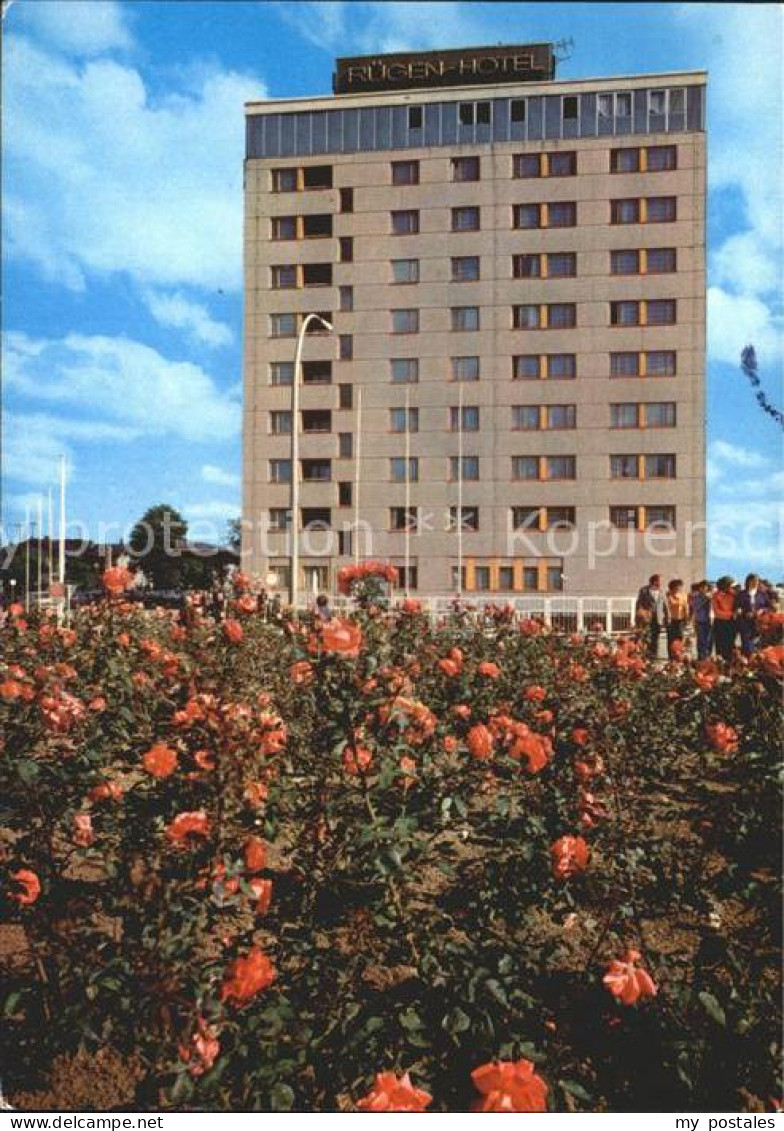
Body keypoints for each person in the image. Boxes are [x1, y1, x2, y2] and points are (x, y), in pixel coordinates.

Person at [735, 572, 770, 656]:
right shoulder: (741, 594)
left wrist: (762, 610)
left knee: (755, 643)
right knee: (747, 643)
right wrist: (740, 610)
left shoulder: (762, 594)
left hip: (758, 623)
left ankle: (750, 662)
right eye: (753, 581)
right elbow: (736, 606)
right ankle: (748, 660)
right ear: (748, 581)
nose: (755, 583)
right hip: (744, 622)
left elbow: (769, 607)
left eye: (757, 581)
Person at [635, 573, 669, 658]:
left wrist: (668, 617)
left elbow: (665, 605)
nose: (661, 583)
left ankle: (654, 654)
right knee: (646, 636)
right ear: (655, 581)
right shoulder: (644, 590)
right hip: (647, 617)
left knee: (655, 637)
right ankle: (646, 655)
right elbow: (639, 604)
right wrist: (639, 615)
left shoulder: (662, 591)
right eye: (660, 581)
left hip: (658, 618)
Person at [712, 575, 737, 662]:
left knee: (730, 646)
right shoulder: (716, 595)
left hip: (731, 623)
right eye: (730, 585)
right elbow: (717, 612)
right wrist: (731, 614)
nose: (732, 587)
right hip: (720, 622)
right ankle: (720, 665)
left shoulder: (734, 594)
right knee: (720, 646)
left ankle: (729, 665)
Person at [665, 578, 689, 657]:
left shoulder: (683, 595)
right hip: (671, 620)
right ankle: (671, 657)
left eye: (680, 586)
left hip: (681, 620)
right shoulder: (668, 596)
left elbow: (686, 607)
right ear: (673, 587)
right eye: (678, 586)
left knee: (680, 638)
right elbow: (666, 608)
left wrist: (686, 619)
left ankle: (679, 655)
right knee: (671, 639)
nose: (680, 588)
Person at [691, 580, 714, 660]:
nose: (704, 589)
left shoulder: (711, 596)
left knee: (709, 640)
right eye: (703, 587)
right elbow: (695, 607)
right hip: (700, 621)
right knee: (701, 640)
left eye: (706, 587)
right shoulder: (696, 597)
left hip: (709, 621)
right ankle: (700, 656)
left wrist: (710, 599)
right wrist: (704, 600)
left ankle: (708, 655)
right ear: (700, 588)